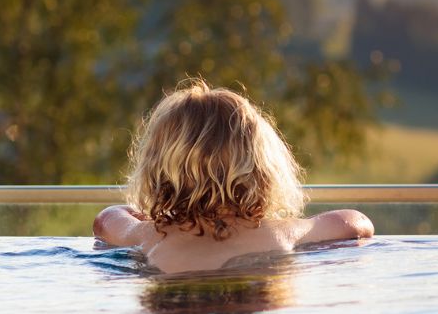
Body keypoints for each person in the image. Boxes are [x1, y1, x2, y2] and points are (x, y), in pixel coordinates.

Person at [92, 80, 372, 274]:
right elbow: (356, 222)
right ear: (263, 168)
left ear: (157, 170)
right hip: (252, 309)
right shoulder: (285, 232)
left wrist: (147, 216)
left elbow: (106, 220)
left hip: (176, 312)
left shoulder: (149, 236)